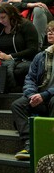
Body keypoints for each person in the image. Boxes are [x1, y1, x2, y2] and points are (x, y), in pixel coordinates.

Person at [11, 20, 54, 160]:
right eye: (48, 30)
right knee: (18, 104)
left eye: (53, 31)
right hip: (39, 97)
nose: (50, 33)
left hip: (50, 97)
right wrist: (31, 94)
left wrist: (44, 95)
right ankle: (30, 144)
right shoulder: (41, 56)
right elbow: (30, 78)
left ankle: (50, 145)